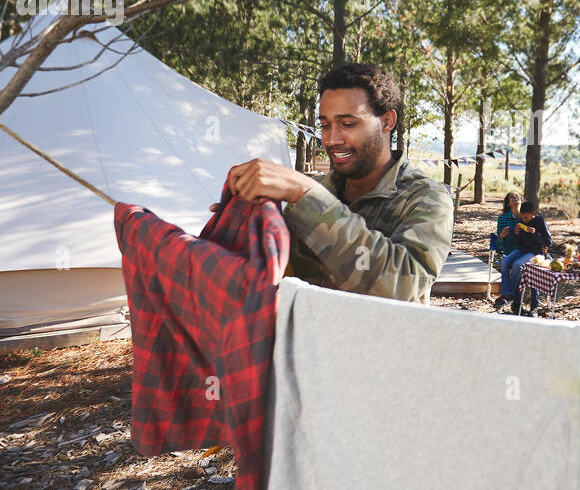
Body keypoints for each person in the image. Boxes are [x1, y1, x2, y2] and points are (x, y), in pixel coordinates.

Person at [219, 63, 454, 304]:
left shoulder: (426, 198)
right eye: (325, 125)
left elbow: (402, 286)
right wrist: (249, 220)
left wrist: (307, 196)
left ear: (387, 121)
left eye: (348, 124)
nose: (331, 139)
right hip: (301, 339)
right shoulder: (313, 192)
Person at [495, 200, 552, 314]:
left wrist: (535, 233)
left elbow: (548, 242)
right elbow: (520, 243)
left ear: (533, 214)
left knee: (517, 264)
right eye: (523, 217)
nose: (524, 220)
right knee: (505, 261)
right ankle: (506, 293)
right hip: (522, 250)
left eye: (527, 217)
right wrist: (517, 234)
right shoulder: (520, 221)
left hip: (535, 252)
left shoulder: (540, 221)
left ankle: (511, 294)